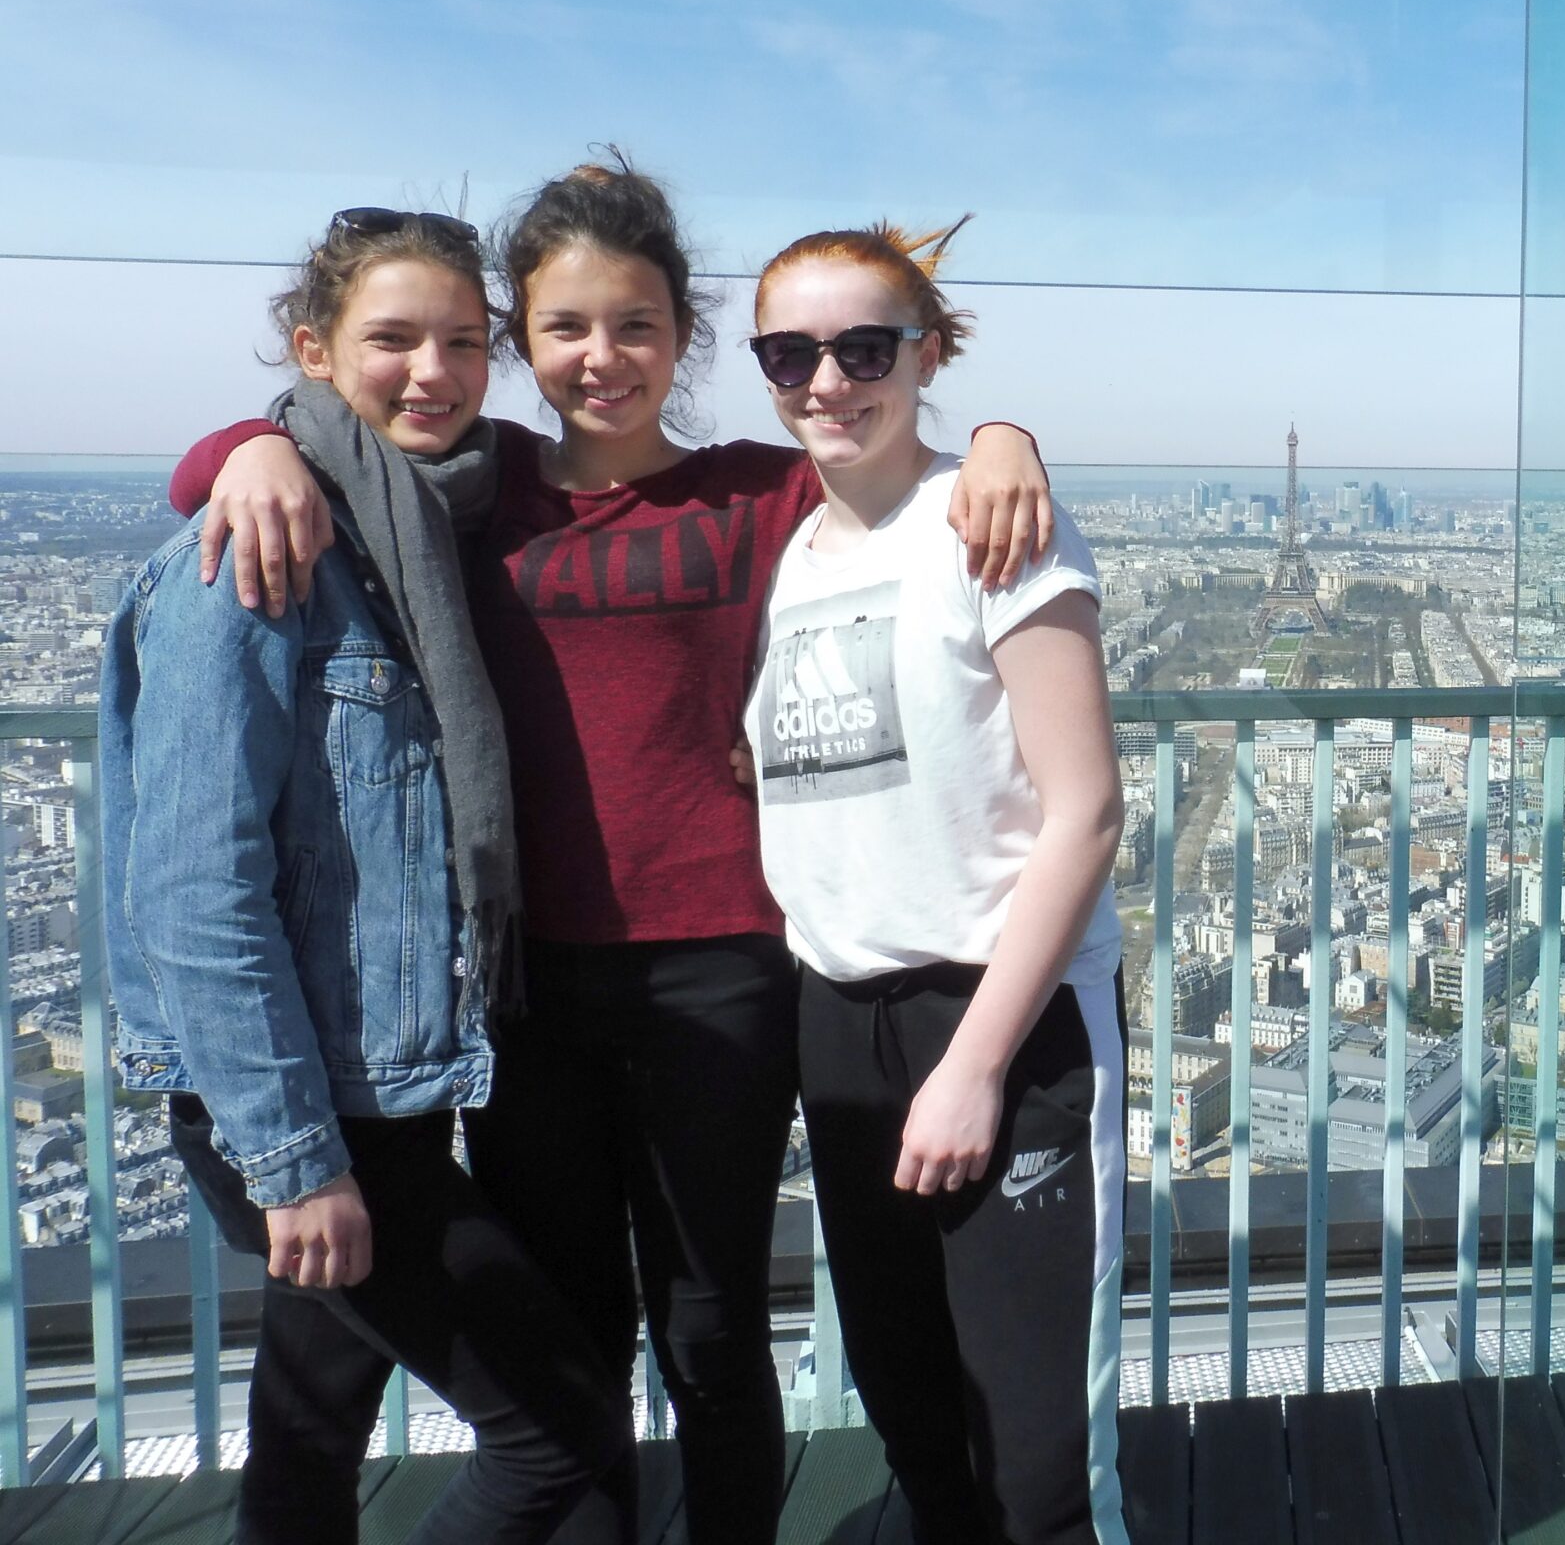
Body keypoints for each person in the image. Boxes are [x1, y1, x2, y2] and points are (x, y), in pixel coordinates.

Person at [170, 157, 1056, 1545]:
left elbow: (902, 467)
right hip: (527, 986)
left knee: (711, 1327)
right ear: (522, 344)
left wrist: (1003, 433)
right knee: (578, 1332)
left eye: (637, 325)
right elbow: (302, 444)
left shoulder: (760, 494)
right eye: (565, 327)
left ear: (685, 338)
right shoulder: (470, 492)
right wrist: (251, 446)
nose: (602, 356)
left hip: (725, 970)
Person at [102, 210, 636, 1544]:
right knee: (558, 1429)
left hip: (387, 1084)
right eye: (392, 339)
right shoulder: (253, 557)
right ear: (316, 352)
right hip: (296, 1104)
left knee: (313, 1424)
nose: (433, 372)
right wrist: (295, 1163)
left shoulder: (432, 527)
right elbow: (193, 892)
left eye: (463, 342)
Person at [746, 221, 1128, 1545]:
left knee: (1037, 1458)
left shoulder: (994, 526)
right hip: (840, 1014)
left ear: (927, 354)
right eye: (789, 354)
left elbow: (1086, 811)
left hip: (1006, 1015)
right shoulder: (786, 553)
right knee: (915, 1410)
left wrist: (974, 1067)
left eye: (865, 349)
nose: (827, 381)